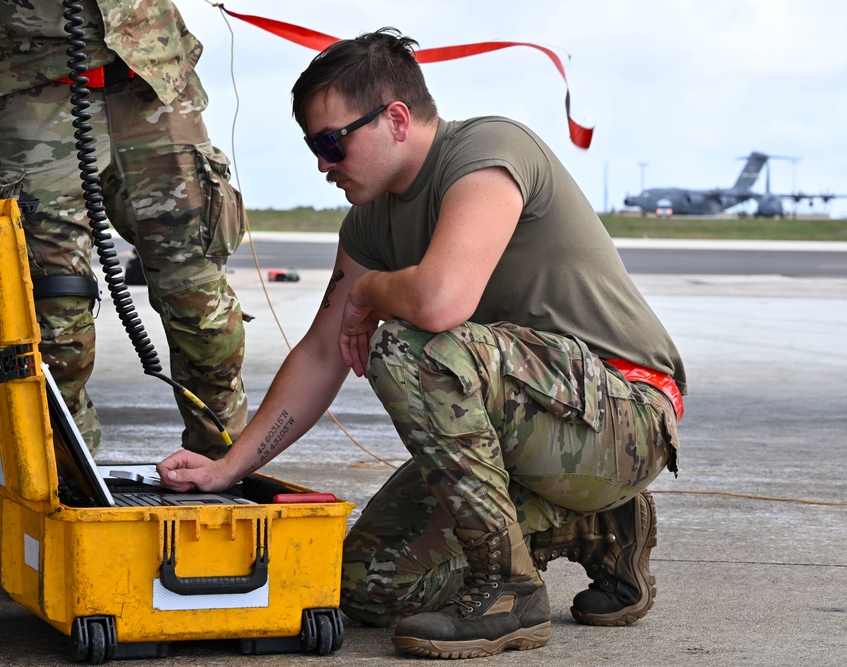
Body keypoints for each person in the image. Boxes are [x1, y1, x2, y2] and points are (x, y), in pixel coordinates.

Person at [157, 28, 684, 659]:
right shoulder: (370, 221)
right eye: (312, 146)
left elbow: (440, 302)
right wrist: (228, 467)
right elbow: (323, 352)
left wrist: (371, 292)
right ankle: (595, 524)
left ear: (397, 119)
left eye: (332, 142)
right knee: (366, 587)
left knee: (414, 348)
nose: (322, 163)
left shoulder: (489, 151)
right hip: (531, 430)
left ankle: (508, 591)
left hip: (624, 413)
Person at [0, 0, 249, 458]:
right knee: (53, 321)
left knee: (203, 311)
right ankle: (69, 476)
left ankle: (221, 461)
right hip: (33, 81)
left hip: (153, 78)